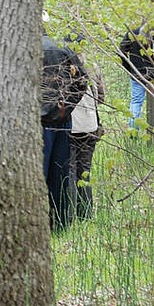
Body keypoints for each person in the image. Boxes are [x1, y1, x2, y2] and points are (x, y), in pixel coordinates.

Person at [41, 31, 88, 230]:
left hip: (40, 123)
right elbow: (82, 81)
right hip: (61, 120)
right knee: (60, 175)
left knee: (39, 175)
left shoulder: (24, 49)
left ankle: (39, 225)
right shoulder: (63, 47)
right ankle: (59, 223)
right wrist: (65, 108)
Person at [65, 33, 105, 220]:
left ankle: (71, 214)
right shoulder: (92, 66)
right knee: (85, 170)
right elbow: (101, 98)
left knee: (71, 169)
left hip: (72, 125)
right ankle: (86, 214)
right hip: (90, 124)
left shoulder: (64, 68)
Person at [118, 23, 154, 128]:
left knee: (136, 102)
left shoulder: (132, 33)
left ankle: (133, 131)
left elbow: (121, 52)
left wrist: (130, 68)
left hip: (138, 75)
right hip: (153, 75)